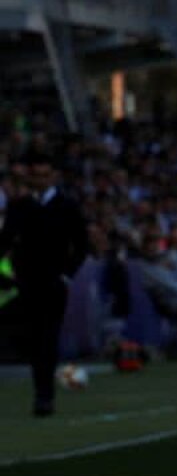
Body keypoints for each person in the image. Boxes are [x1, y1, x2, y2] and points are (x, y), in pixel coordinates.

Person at [0, 151, 88, 417]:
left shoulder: (67, 206)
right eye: (36, 175)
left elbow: (81, 245)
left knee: (46, 338)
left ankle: (44, 396)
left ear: (53, 176)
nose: (40, 180)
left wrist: (66, 275)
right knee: (34, 338)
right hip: (25, 281)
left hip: (52, 283)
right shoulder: (20, 207)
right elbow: (4, 242)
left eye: (44, 175)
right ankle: (42, 392)